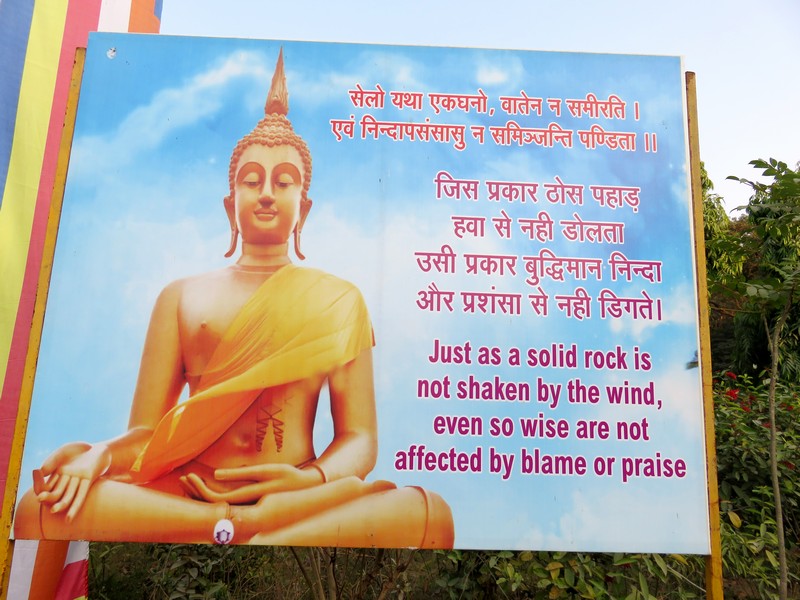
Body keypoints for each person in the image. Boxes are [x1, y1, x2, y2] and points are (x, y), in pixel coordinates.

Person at [14, 50, 454, 548]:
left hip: (296, 493)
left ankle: (240, 526)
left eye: (283, 182)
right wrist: (100, 455)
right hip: (188, 492)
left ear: (304, 207)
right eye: (251, 181)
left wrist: (307, 481)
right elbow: (147, 436)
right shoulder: (181, 296)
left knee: (429, 513)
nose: (266, 193)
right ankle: (238, 527)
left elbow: (360, 439)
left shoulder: (339, 300)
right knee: (40, 506)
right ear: (231, 204)